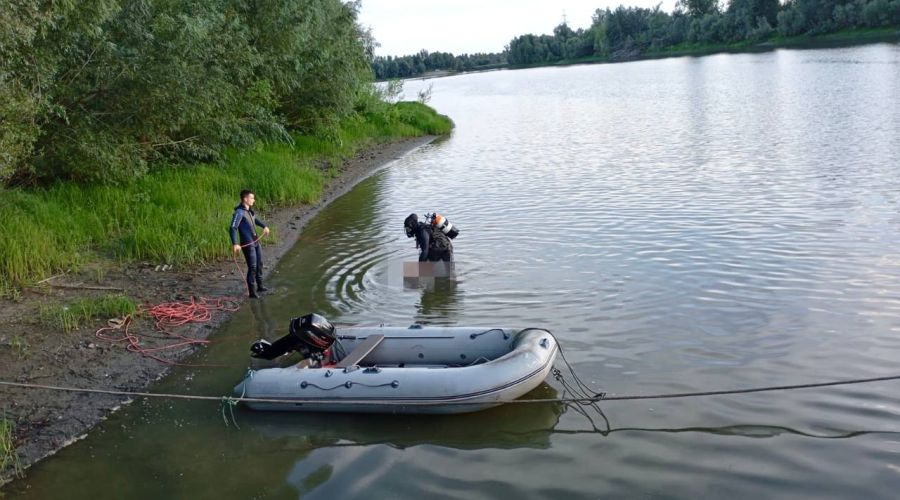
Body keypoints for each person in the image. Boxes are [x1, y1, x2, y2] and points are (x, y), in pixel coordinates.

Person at [230, 189, 270, 298]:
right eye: (252, 198)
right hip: (247, 243)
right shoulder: (239, 212)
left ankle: (260, 286)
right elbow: (233, 228)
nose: (254, 200)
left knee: (260, 264)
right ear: (245, 199)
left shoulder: (249, 211)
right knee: (252, 266)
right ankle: (252, 292)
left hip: (256, 241)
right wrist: (235, 244)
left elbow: (255, 220)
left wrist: (264, 226)